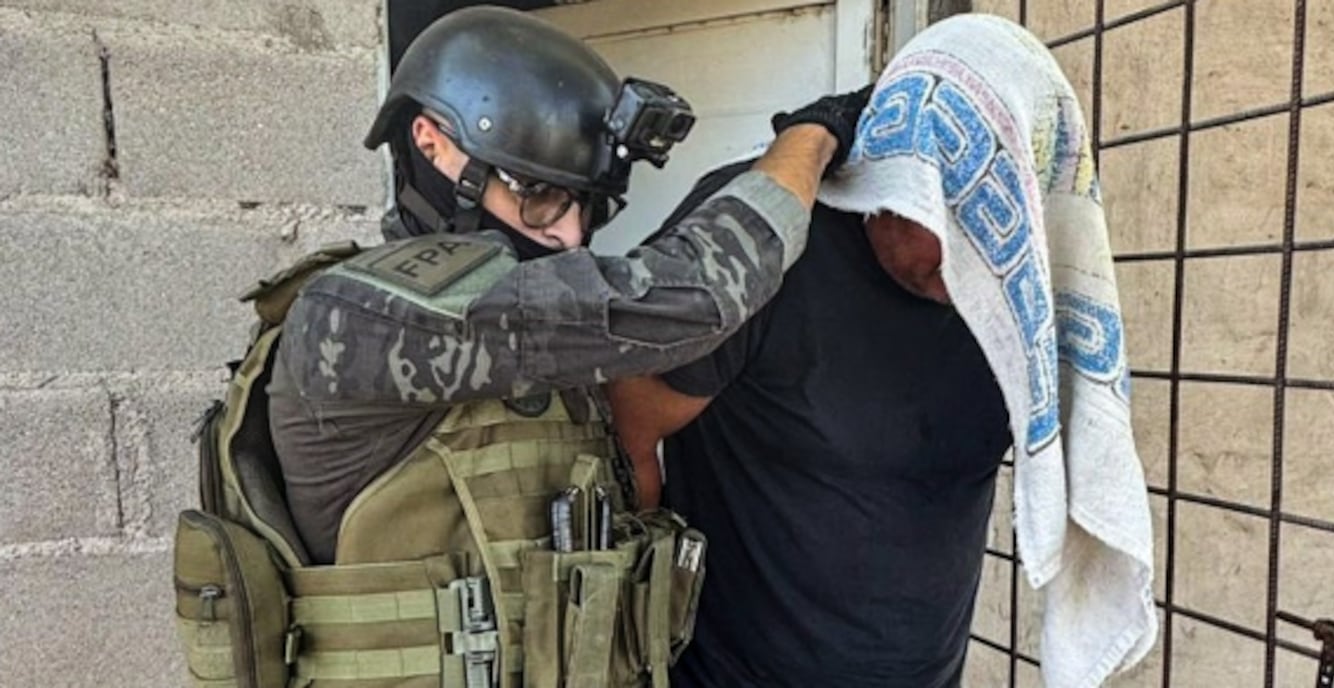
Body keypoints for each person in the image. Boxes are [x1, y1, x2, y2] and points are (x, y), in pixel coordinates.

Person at [171, 7, 870, 688]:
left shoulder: (527, 324)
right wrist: (810, 137)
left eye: (588, 204)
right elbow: (695, 296)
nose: (569, 234)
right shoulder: (361, 317)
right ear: (432, 144)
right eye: (539, 196)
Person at [609, 13, 1155, 688]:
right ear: (891, 175)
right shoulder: (757, 246)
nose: (964, 260)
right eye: (941, 216)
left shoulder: (1016, 287)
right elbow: (625, 435)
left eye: (986, 229)